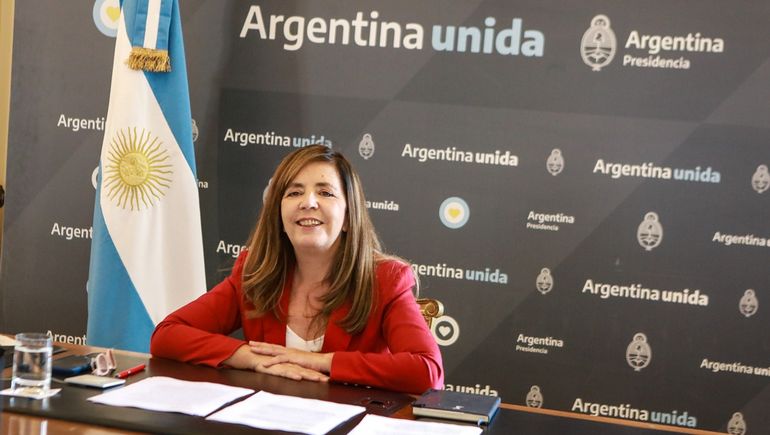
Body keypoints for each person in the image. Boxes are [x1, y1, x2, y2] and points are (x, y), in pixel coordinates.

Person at [151, 145, 443, 394]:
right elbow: (167, 335)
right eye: (294, 193)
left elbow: (428, 372)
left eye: (325, 193)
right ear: (279, 214)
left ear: (348, 218)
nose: (308, 203)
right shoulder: (255, 272)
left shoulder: (385, 279)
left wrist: (318, 361)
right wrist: (249, 357)